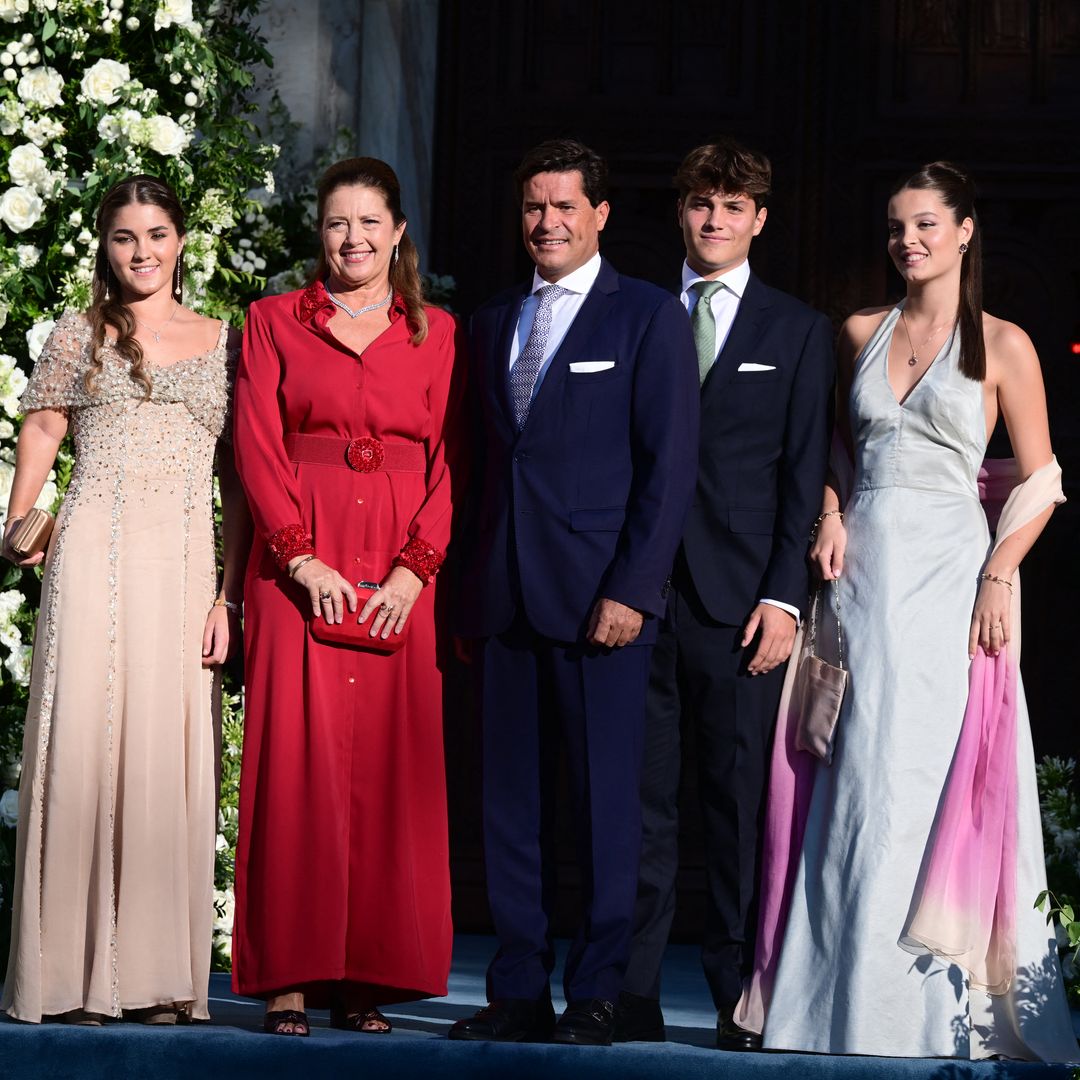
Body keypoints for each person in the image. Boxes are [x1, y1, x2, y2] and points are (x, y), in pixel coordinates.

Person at [741, 161, 1077, 1060]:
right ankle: (829, 1007)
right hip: (858, 583)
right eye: (896, 227)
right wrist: (830, 511)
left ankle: (927, 1016)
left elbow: (1041, 480)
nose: (909, 241)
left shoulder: (1005, 344)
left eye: (927, 225)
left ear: (965, 230)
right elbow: (831, 454)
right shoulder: (858, 329)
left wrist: (1001, 571)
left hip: (950, 584)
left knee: (923, 781)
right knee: (851, 780)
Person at [449, 139, 699, 1047]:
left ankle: (600, 990)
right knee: (510, 808)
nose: (545, 223)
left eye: (563, 207)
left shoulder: (648, 319)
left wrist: (634, 588)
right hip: (505, 597)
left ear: (599, 215)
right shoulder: (487, 322)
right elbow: (482, 467)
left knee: (604, 808)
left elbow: (669, 470)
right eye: (531, 208)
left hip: (605, 605)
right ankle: (516, 990)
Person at [1, 175, 245, 1024]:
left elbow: (239, 482)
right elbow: (42, 427)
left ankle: (153, 980)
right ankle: (65, 977)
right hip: (93, 555)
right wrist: (21, 524)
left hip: (183, 565)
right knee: (83, 742)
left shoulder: (225, 339)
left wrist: (228, 597)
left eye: (157, 235)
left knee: (165, 752)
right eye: (124, 238)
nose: (142, 253)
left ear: (182, 239)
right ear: (103, 247)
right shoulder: (78, 332)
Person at [231, 157, 464, 1037]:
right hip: (303, 560)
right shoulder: (269, 323)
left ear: (398, 231)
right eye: (337, 223)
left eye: (370, 222)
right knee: (295, 764)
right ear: (318, 233)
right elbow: (256, 446)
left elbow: (455, 460)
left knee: (389, 772)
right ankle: (289, 975)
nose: (353, 238)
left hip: (403, 564)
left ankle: (365, 975)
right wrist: (299, 559)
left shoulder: (436, 332)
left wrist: (414, 570)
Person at [618, 139, 834, 1050]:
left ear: (760, 219)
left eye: (734, 206)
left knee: (737, 809)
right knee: (637, 806)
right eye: (702, 203)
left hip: (741, 607)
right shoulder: (628, 314)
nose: (715, 219)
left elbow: (803, 474)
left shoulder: (796, 331)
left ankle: (738, 997)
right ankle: (626, 994)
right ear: (681, 212)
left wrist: (786, 601)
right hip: (635, 600)